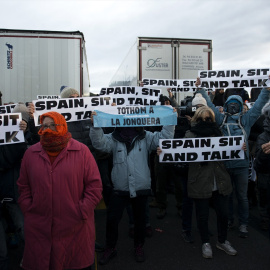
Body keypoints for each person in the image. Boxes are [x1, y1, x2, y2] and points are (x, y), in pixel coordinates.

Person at [17, 111, 102, 270]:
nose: (48, 129)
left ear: (62, 126)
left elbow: (94, 186)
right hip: (40, 227)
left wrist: (82, 210)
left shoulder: (82, 151)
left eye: (52, 125)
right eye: (44, 126)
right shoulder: (31, 154)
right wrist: (29, 209)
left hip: (75, 226)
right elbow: (23, 186)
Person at [90, 110, 175, 264]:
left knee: (140, 221)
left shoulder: (146, 137)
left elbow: (164, 138)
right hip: (120, 187)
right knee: (112, 220)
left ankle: (139, 246)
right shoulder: (113, 139)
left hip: (140, 187)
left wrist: (170, 119)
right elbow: (99, 144)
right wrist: (95, 125)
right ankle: (111, 247)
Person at [196, 76, 270, 238]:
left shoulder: (246, 120)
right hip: (225, 166)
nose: (234, 106)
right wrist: (201, 89)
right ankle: (230, 220)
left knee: (241, 197)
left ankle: (243, 223)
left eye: (236, 103)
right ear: (226, 105)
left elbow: (257, 107)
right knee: (227, 196)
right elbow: (209, 105)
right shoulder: (221, 119)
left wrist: (266, 89)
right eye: (231, 103)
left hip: (242, 166)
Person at [185, 107, 236, 258]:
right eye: (201, 119)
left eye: (208, 119)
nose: (205, 122)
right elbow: (183, 153)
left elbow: (227, 152)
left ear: (213, 120)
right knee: (202, 215)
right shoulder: (190, 134)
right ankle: (205, 242)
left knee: (224, 214)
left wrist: (238, 148)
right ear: (195, 120)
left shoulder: (220, 134)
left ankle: (222, 240)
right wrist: (166, 152)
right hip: (200, 181)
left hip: (219, 180)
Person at [0, 103, 29, 270]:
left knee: (23, 227)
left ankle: (31, 257)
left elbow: (9, 158)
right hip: (9, 189)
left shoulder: (12, 127)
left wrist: (23, 131)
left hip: (12, 190)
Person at [254, 101, 270, 236]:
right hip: (265, 175)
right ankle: (265, 220)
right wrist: (264, 154)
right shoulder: (263, 137)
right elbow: (257, 164)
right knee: (264, 198)